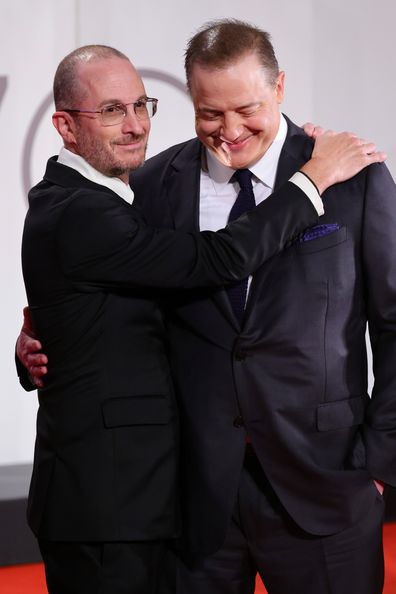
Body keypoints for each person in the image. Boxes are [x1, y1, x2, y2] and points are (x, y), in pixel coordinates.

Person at [17, 31, 389, 594]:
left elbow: (392, 323)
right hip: (194, 499)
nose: (231, 129)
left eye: (248, 109)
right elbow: (128, 298)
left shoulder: (352, 175)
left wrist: (381, 453)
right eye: (211, 112)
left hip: (326, 480)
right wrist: (39, 346)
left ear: (280, 88)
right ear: (191, 98)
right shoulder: (145, 190)